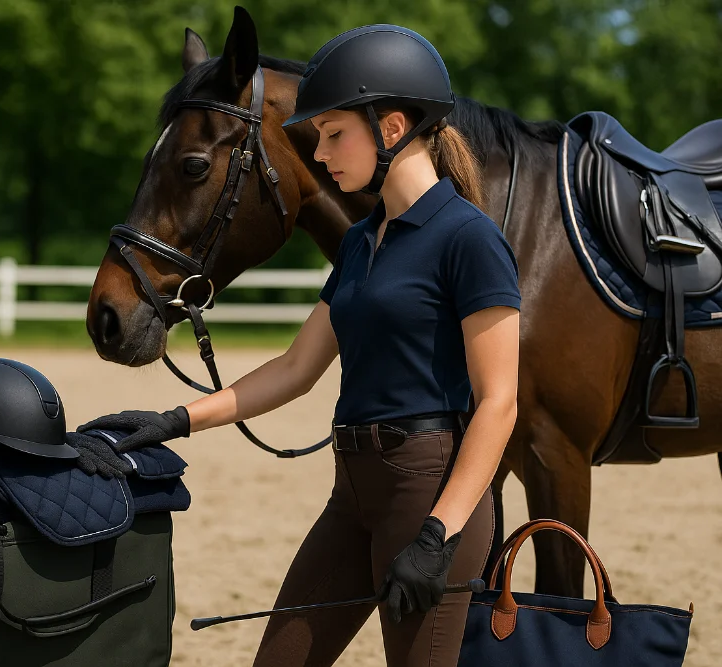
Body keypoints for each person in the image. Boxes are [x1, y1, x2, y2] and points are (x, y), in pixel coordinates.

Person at [80, 24, 520, 667]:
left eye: (336, 134)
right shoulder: (365, 241)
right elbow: (295, 368)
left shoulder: (469, 239)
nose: (320, 153)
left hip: (428, 497)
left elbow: (499, 401)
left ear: (392, 129)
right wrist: (172, 421)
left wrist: (438, 535)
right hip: (354, 492)